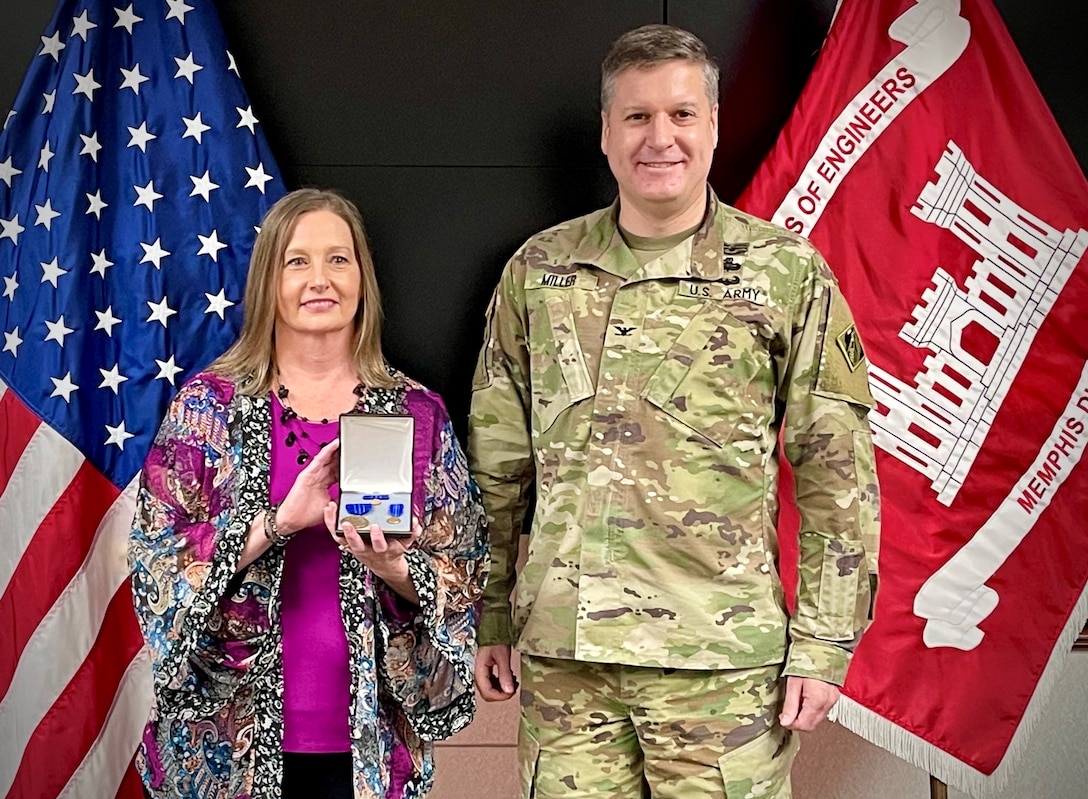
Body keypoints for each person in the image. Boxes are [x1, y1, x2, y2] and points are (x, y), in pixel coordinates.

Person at [468, 24, 879, 799]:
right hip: (567, 663)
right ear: (605, 131)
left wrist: (825, 641)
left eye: (682, 115)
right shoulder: (540, 271)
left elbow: (838, 472)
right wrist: (490, 613)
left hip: (719, 667)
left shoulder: (784, 274)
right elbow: (496, 464)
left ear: (714, 125)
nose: (661, 137)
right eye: (637, 116)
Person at [128, 188, 489, 799]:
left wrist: (396, 567)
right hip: (226, 742)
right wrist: (274, 524)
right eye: (297, 261)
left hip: (369, 743)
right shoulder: (209, 408)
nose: (319, 279)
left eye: (338, 260)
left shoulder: (415, 411)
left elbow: (466, 563)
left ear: (362, 278)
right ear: (269, 279)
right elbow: (155, 559)